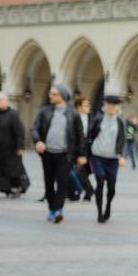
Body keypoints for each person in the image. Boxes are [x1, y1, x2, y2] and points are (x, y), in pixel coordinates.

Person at [30, 84, 87, 224]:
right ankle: (51, 208)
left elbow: (80, 136)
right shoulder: (45, 112)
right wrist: (37, 141)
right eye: (51, 94)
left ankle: (58, 210)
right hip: (48, 154)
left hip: (65, 155)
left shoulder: (73, 114)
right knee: (49, 184)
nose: (51, 96)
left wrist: (81, 155)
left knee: (62, 183)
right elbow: (34, 128)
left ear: (62, 96)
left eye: (54, 94)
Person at [85, 94, 128, 223]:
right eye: (108, 104)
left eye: (113, 105)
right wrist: (86, 154)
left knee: (111, 186)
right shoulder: (98, 119)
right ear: (104, 105)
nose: (110, 107)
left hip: (113, 159)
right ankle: (99, 212)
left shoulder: (121, 122)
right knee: (100, 179)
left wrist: (122, 156)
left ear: (117, 107)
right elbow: (89, 136)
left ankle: (108, 206)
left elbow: (123, 140)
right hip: (98, 156)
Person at [0, 92, 27, 199]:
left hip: (9, 149)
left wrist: (20, 147)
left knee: (11, 170)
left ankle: (14, 189)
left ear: (6, 101)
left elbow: (20, 132)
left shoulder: (13, 115)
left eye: (1, 100)